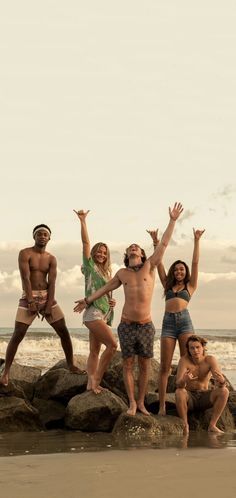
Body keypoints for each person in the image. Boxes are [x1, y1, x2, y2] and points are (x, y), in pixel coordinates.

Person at [74, 203, 183, 416]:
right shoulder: (122, 273)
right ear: (126, 254)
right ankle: (132, 403)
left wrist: (172, 220)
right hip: (125, 325)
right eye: (130, 247)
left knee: (144, 367)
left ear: (142, 254)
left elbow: (165, 244)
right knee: (127, 365)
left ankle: (141, 403)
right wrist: (87, 300)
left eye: (137, 247)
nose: (134, 248)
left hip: (145, 326)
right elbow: (105, 288)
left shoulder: (149, 266)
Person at [0, 224, 83, 387]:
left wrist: (49, 303)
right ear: (34, 236)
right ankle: (6, 371)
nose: (42, 236)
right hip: (28, 295)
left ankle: (71, 364)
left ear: (49, 238)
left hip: (47, 296)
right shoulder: (25, 253)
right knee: (18, 333)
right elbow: (25, 277)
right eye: (39, 234)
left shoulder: (51, 258)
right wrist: (30, 301)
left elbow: (52, 282)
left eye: (45, 234)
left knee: (63, 331)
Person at [147, 227, 205, 416]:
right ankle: (162, 406)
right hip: (169, 323)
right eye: (177, 269)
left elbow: (195, 262)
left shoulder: (191, 285)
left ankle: (186, 399)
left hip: (185, 322)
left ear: (185, 272)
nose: (179, 271)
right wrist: (156, 242)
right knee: (164, 367)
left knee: (186, 362)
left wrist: (196, 240)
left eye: (182, 269)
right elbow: (159, 263)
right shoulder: (167, 284)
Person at [73, 210, 117, 394]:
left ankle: (90, 384)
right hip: (93, 313)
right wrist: (83, 221)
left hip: (105, 314)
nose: (101, 254)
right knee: (113, 345)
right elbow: (85, 243)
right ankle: (96, 381)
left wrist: (112, 301)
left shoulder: (108, 272)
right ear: (93, 253)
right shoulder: (90, 266)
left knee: (94, 351)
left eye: (104, 252)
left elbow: (106, 292)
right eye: (99, 251)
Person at [175, 335, 229, 434]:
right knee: (179, 392)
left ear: (203, 347)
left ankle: (212, 425)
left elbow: (220, 384)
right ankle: (185, 425)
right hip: (189, 397)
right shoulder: (184, 360)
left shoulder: (210, 360)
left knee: (224, 391)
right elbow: (179, 385)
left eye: (198, 347)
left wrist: (222, 382)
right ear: (188, 349)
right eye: (192, 348)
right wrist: (184, 380)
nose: (195, 350)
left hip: (205, 397)